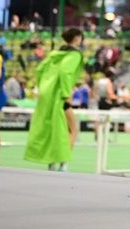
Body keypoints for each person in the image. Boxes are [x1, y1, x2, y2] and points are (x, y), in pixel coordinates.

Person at [25, 28, 85, 172]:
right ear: (77, 38)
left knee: (55, 129)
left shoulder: (54, 55)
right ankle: (64, 162)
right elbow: (65, 72)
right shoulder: (74, 55)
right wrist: (66, 93)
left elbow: (39, 70)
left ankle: (52, 162)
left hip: (48, 96)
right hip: (61, 97)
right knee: (72, 128)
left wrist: (44, 88)